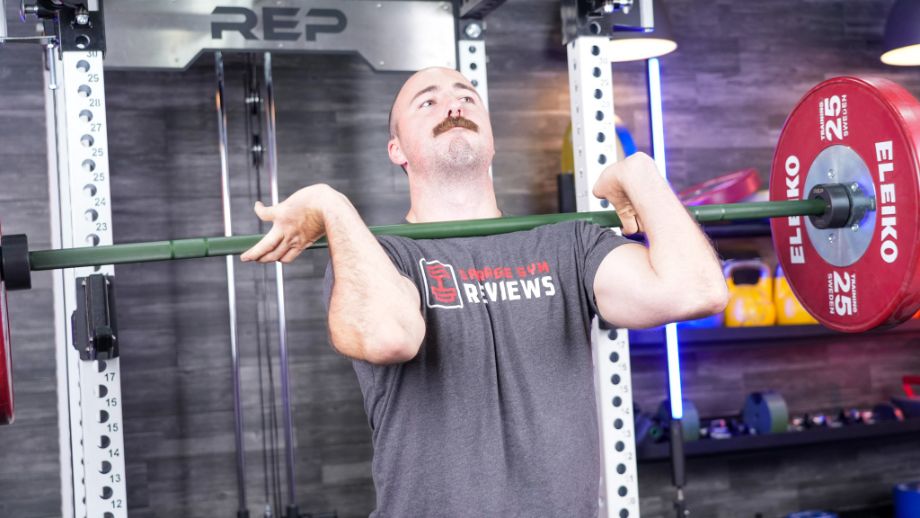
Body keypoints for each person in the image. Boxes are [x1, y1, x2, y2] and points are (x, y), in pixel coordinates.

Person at [241, 67, 727, 517]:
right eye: (427, 102)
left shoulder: (569, 244)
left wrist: (639, 173)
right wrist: (332, 205)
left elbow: (697, 290)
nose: (452, 106)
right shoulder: (380, 258)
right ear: (397, 150)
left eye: (466, 97)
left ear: (492, 139)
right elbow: (389, 337)